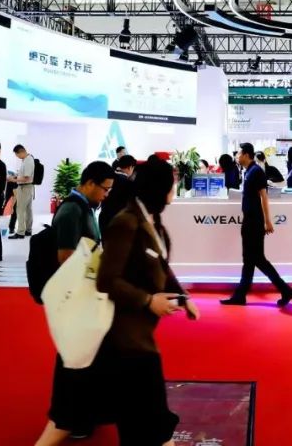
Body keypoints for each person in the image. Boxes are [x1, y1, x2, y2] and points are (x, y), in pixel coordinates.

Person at [96, 155, 200, 446]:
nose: (174, 191)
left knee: (148, 420)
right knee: (146, 419)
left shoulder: (153, 221)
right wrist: (148, 300)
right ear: (159, 188)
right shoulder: (126, 223)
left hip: (141, 335)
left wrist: (183, 297)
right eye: (171, 185)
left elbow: (161, 267)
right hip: (125, 338)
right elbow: (107, 280)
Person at [35, 161, 116, 446]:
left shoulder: (83, 208)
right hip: (77, 296)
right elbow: (66, 257)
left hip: (84, 294)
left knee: (84, 358)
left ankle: (80, 416)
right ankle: (72, 419)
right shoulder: (71, 210)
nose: (106, 195)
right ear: (90, 183)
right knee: (75, 361)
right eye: (104, 189)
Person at [221, 143, 292, 308]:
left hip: (254, 222)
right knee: (250, 260)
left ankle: (284, 289)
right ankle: (241, 295)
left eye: (239, 153)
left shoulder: (256, 171)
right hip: (249, 220)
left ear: (246, 155)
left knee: (257, 259)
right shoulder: (248, 171)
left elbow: (264, 197)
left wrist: (267, 221)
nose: (237, 156)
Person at [99, 155, 138, 235]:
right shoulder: (128, 184)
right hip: (119, 224)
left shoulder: (108, 178)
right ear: (130, 167)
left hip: (104, 220)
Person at [8, 144, 37, 240]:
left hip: (25, 187)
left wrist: (13, 179)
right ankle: (28, 230)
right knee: (28, 210)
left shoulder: (28, 161)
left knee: (20, 210)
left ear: (21, 152)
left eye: (17, 155)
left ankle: (20, 232)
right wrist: (16, 176)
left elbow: (26, 178)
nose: (17, 157)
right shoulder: (27, 159)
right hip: (27, 187)